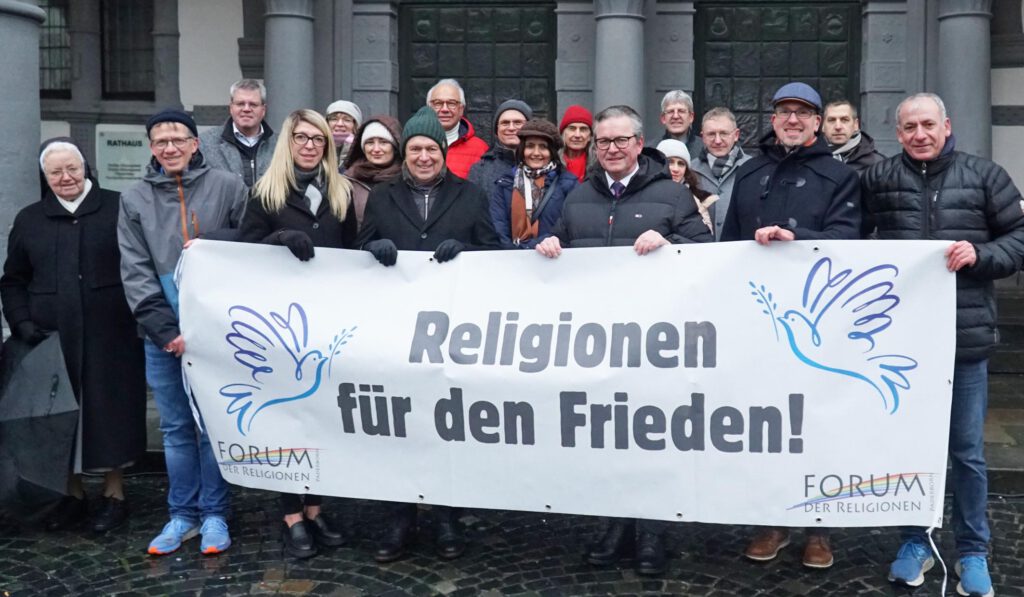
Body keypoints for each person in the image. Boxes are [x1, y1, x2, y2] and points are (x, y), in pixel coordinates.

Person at [536, 105, 711, 576]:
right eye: (602, 142)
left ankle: (651, 532)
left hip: (656, 342)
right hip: (597, 342)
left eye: (619, 141)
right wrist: (550, 246)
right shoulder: (578, 196)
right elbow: (558, 243)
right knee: (609, 440)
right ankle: (614, 523)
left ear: (638, 144)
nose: (610, 149)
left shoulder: (672, 194)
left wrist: (672, 244)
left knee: (650, 438)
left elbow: (709, 252)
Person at [863, 92, 1024, 597]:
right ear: (898, 132)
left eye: (928, 124)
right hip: (902, 344)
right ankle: (916, 542)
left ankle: (973, 550)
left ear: (947, 126)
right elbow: (849, 238)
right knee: (911, 448)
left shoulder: (985, 176)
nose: (920, 135)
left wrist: (981, 253)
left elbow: (1019, 237)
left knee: (968, 453)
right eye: (909, 127)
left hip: (964, 339)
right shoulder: (879, 178)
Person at [722, 82, 860, 569]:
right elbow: (729, 245)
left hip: (818, 322)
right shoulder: (750, 172)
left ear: (818, 122)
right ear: (774, 119)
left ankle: (820, 529)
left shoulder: (837, 176)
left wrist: (795, 238)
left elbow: (848, 240)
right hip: (760, 322)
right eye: (784, 111)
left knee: (818, 424)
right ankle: (772, 519)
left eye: (803, 112)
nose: (793, 119)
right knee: (769, 425)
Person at [357, 105, 501, 563]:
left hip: (452, 332)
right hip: (395, 330)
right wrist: (371, 248)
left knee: (445, 425)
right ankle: (400, 517)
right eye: (415, 149)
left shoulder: (469, 196)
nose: (423, 157)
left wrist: (469, 251)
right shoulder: (382, 197)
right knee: (399, 426)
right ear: (405, 153)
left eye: (431, 149)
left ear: (442, 152)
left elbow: (494, 252)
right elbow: (358, 250)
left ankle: (446, 517)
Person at [118, 109, 247, 555]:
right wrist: (163, 328)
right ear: (151, 149)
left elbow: (250, 243)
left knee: (213, 426)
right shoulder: (134, 198)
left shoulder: (229, 186)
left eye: (178, 139)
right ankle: (181, 515)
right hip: (163, 335)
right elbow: (134, 269)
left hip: (217, 332)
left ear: (196, 143)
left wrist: (215, 245)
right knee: (175, 428)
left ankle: (215, 514)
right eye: (160, 141)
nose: (169, 147)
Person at [0, 138, 146, 534]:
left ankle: (114, 494)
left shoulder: (119, 206)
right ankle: (73, 494)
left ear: (86, 168)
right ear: (44, 177)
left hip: (112, 336)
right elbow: (13, 280)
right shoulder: (30, 219)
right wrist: (21, 322)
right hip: (51, 337)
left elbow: (141, 264)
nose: (66, 178)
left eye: (73, 169)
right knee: (62, 416)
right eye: (55, 172)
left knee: (110, 414)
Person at [238, 109, 354, 558]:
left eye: (318, 139)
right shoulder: (265, 195)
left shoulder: (338, 194)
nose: (309, 145)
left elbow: (351, 252)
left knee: (320, 419)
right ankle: (290, 514)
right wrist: (278, 239)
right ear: (288, 142)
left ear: (328, 146)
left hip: (326, 323)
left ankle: (314, 508)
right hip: (282, 327)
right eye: (301, 138)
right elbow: (242, 256)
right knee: (285, 420)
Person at [491, 119, 578, 248]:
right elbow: (497, 225)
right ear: (522, 149)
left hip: (551, 258)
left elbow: (570, 227)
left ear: (552, 152)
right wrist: (512, 253)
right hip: (511, 261)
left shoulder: (568, 184)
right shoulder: (505, 183)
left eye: (543, 147)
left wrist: (534, 246)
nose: (536, 153)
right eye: (530, 146)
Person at [199, 79, 274, 187]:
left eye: (253, 104)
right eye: (240, 104)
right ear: (231, 108)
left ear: (263, 109)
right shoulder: (205, 144)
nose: (246, 109)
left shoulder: (280, 145)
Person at [690, 107, 752, 240]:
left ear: (736, 135)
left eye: (724, 133)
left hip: (742, 252)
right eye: (711, 134)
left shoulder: (753, 169)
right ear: (703, 137)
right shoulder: (690, 171)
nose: (717, 140)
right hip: (700, 252)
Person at [342, 115, 403, 232]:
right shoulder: (348, 182)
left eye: (383, 142)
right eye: (370, 142)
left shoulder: (407, 180)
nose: (376, 149)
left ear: (395, 147)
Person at [426, 78, 488, 178]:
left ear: (461, 109)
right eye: (438, 103)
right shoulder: (414, 145)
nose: (445, 109)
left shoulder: (480, 149)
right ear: (428, 108)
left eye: (452, 103)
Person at [468, 99, 533, 194]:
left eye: (518, 122)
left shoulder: (543, 165)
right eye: (505, 123)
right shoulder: (480, 170)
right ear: (497, 130)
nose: (511, 128)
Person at [655, 138, 714, 234]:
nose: (676, 169)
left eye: (681, 164)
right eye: (670, 162)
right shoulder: (643, 193)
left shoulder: (696, 199)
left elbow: (704, 237)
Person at [822, 100, 885, 174]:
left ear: (856, 125)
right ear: (823, 126)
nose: (838, 127)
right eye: (831, 120)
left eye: (844, 120)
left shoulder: (879, 165)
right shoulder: (809, 159)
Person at [658, 90, 703, 157]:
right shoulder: (651, 151)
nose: (675, 116)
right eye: (670, 111)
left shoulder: (704, 149)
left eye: (681, 111)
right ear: (663, 118)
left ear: (691, 117)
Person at [559, 105, 594, 182]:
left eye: (583, 129)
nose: (577, 135)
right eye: (572, 128)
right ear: (563, 134)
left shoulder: (599, 164)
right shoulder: (553, 163)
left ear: (590, 136)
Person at [325, 100, 363, 168]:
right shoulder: (318, 146)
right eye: (334, 119)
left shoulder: (362, 150)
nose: (340, 124)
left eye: (347, 120)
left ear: (355, 125)